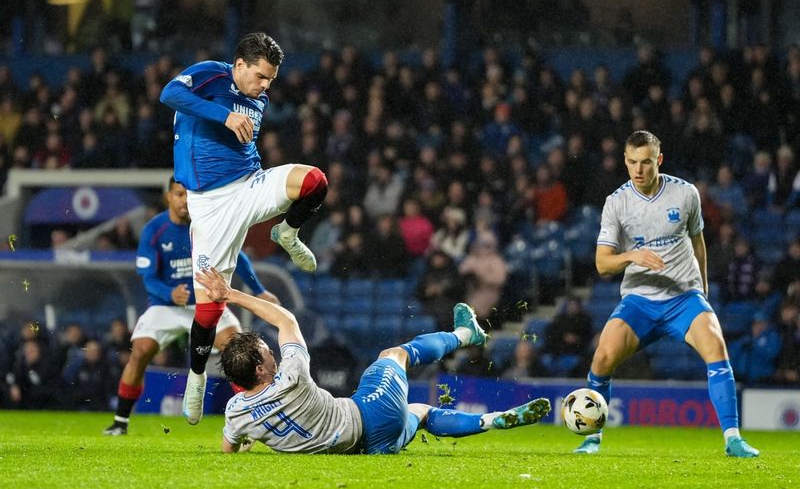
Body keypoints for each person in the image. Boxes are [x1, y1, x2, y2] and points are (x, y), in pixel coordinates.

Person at [195, 267, 551, 455]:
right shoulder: (292, 375)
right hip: (369, 416)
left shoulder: (236, 412)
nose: (271, 349)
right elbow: (286, 320)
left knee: (421, 413)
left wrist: (253, 435)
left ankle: (492, 420)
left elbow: (230, 448)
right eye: (265, 349)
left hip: (366, 449)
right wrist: (231, 294)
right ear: (260, 368)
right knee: (391, 355)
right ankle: (465, 335)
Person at [159, 32, 328, 424]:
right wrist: (224, 115)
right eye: (260, 76)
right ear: (239, 65)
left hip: (250, 185)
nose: (265, 86)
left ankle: (286, 231)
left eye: (270, 79)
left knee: (315, 181)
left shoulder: (259, 97)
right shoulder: (211, 76)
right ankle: (197, 378)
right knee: (210, 307)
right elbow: (169, 93)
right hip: (210, 205)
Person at [577, 130, 759, 458]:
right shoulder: (616, 203)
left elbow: (697, 240)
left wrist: (701, 287)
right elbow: (602, 264)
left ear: (658, 160)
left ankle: (733, 439)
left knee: (716, 346)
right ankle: (592, 438)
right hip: (639, 300)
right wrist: (631, 255)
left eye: (646, 162)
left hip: (682, 298)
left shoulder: (685, 194)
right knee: (603, 356)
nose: (639, 170)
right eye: (632, 162)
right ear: (625, 161)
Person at [103, 177, 278, 436]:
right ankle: (120, 422)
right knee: (140, 351)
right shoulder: (155, 229)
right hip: (167, 306)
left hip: (207, 301)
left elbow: (236, 256)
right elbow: (148, 277)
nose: (185, 201)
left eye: (188, 195)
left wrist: (259, 290)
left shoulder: (206, 222)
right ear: (169, 198)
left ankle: (251, 421)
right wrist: (169, 293)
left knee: (236, 351)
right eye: (179, 195)